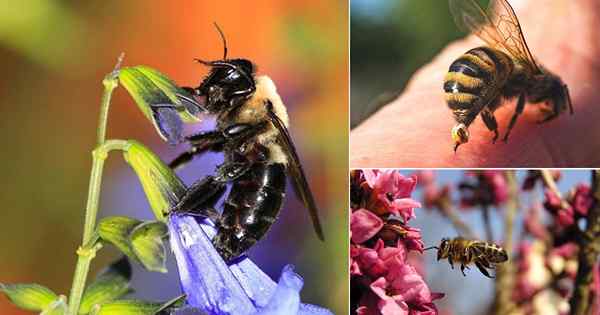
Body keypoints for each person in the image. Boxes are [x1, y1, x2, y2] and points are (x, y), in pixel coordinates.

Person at [350, 0, 600, 167]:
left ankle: (464, 124)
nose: (549, 105)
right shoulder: (529, 78)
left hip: (463, 76)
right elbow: (514, 98)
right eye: (553, 100)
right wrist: (508, 130)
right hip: (476, 74)